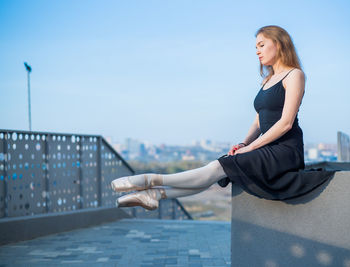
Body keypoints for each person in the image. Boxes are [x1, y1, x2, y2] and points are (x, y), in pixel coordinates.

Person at [111, 25, 334, 210]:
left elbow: (285, 123)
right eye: (256, 47)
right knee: (216, 171)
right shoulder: (267, 81)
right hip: (265, 148)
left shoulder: (295, 75)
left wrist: (251, 148)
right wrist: (243, 143)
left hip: (285, 151)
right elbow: (259, 119)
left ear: (280, 43)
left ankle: (149, 180)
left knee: (217, 168)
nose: (257, 51)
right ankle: (156, 195)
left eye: (261, 45)